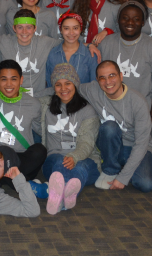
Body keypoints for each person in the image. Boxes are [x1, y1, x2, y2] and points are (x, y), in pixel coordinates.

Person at [33, 63, 101, 214]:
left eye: (68, 83)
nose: (63, 89)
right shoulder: (46, 105)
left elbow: (87, 142)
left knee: (80, 167)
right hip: (54, 157)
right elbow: (25, 98)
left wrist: (75, 157)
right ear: (53, 88)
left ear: (75, 84)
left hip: (85, 158)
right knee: (60, 162)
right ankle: (67, 194)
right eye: (58, 85)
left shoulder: (88, 110)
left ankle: (59, 195)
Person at [81, 61, 152, 192]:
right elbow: (66, 88)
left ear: (121, 76)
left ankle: (126, 166)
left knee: (146, 184)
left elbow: (141, 143)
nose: (108, 82)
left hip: (135, 146)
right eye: (102, 78)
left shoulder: (138, 102)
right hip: (110, 144)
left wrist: (123, 178)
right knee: (109, 127)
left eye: (112, 76)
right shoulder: (92, 90)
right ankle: (110, 169)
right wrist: (34, 97)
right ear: (97, 81)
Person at [0, 60, 47, 184]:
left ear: (21, 80)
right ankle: (20, 183)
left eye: (14, 79)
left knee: (40, 150)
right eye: (4, 79)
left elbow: (41, 131)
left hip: (21, 158)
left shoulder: (33, 104)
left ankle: (2, 179)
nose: (9, 84)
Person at [100, 1, 152, 106]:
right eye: (125, 18)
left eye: (136, 19)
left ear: (143, 22)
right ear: (118, 20)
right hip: (111, 108)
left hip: (142, 109)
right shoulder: (106, 44)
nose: (130, 22)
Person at [0, 9, 61, 98]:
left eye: (29, 27)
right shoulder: (4, 41)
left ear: (35, 28)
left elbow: (68, 43)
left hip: (38, 98)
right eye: (20, 27)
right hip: (10, 97)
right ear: (14, 28)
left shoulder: (45, 42)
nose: (24, 32)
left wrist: (87, 45)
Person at [45, 13, 100, 85]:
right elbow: (49, 84)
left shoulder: (90, 55)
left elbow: (94, 84)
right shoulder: (52, 54)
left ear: (80, 29)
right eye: (66, 28)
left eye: (75, 28)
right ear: (61, 30)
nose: (71, 32)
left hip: (83, 96)